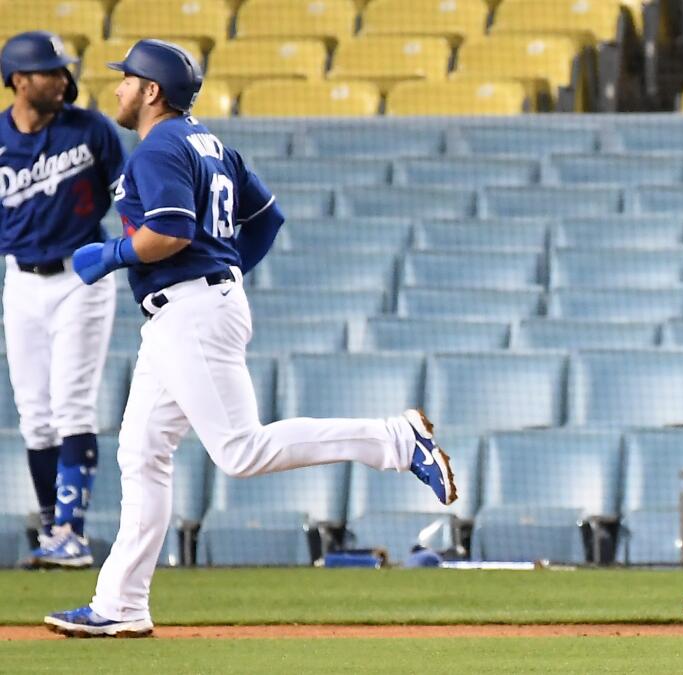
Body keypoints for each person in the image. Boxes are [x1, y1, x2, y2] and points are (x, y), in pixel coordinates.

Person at [43, 39, 457, 638]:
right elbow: (267, 218)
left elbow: (172, 231)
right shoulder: (211, 145)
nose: (120, 88)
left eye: (128, 79)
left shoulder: (158, 146)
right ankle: (121, 604)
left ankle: (395, 440)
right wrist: (226, 271)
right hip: (188, 310)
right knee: (142, 454)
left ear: (152, 91)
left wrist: (111, 255)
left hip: (190, 310)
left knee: (240, 451)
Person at [0, 31, 126, 569]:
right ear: (20, 81)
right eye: (50, 71)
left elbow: (128, 195)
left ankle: (73, 533)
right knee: (35, 415)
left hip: (83, 274)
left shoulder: (90, 128)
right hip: (21, 280)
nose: (63, 78)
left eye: (63, 68)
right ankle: (54, 531)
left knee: (72, 403)